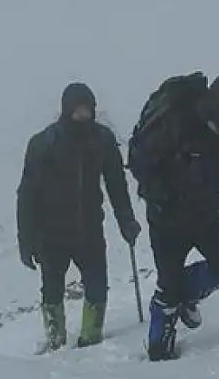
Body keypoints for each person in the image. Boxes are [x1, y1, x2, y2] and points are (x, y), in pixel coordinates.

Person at [127, 72, 219, 361]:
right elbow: (140, 162)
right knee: (161, 345)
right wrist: (163, 198)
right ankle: (166, 311)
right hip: (167, 220)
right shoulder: (175, 120)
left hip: (206, 215)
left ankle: (179, 296)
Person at [16, 82, 142, 352]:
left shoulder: (103, 140)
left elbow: (116, 184)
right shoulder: (43, 144)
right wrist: (26, 239)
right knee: (52, 288)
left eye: (87, 111)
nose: (83, 117)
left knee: (97, 287)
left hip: (89, 229)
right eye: (77, 111)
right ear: (66, 111)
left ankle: (91, 340)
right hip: (51, 233)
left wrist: (127, 221)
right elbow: (27, 194)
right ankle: (56, 340)